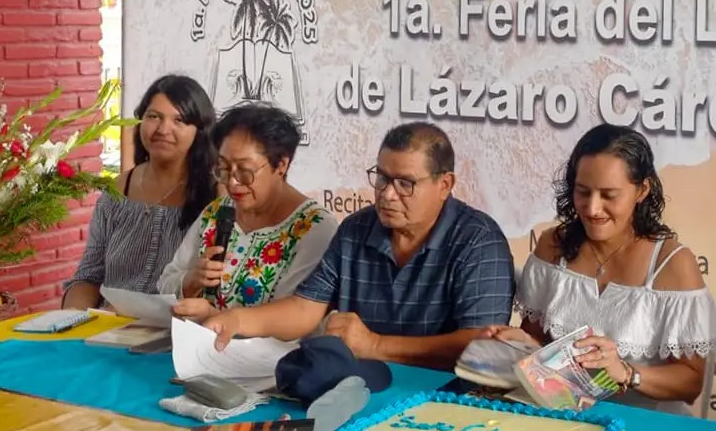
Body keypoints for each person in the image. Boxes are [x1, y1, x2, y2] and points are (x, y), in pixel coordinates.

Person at [192, 122, 515, 369]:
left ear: (444, 185)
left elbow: (482, 345)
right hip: (360, 386)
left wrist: (376, 346)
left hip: (443, 403)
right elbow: (305, 308)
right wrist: (237, 320)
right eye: (382, 178)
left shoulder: (478, 240)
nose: (387, 194)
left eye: (405, 184)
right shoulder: (357, 229)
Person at [485, 124, 716, 413]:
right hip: (560, 415)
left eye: (609, 195)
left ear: (642, 190)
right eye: (583, 192)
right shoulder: (552, 246)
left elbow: (691, 382)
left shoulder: (672, 264)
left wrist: (625, 372)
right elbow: (539, 345)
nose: (593, 208)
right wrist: (523, 345)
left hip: (643, 425)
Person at [162, 103, 336, 311]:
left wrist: (215, 319)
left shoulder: (315, 228)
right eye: (224, 168)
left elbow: (293, 317)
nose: (233, 183)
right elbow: (165, 283)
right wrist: (189, 282)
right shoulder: (217, 212)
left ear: (281, 165)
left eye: (245, 170)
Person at [63, 74, 217, 308]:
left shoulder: (215, 195)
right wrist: (71, 320)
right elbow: (89, 276)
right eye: (153, 117)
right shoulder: (117, 191)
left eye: (179, 120)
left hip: (177, 332)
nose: (163, 129)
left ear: (200, 130)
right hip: (109, 327)